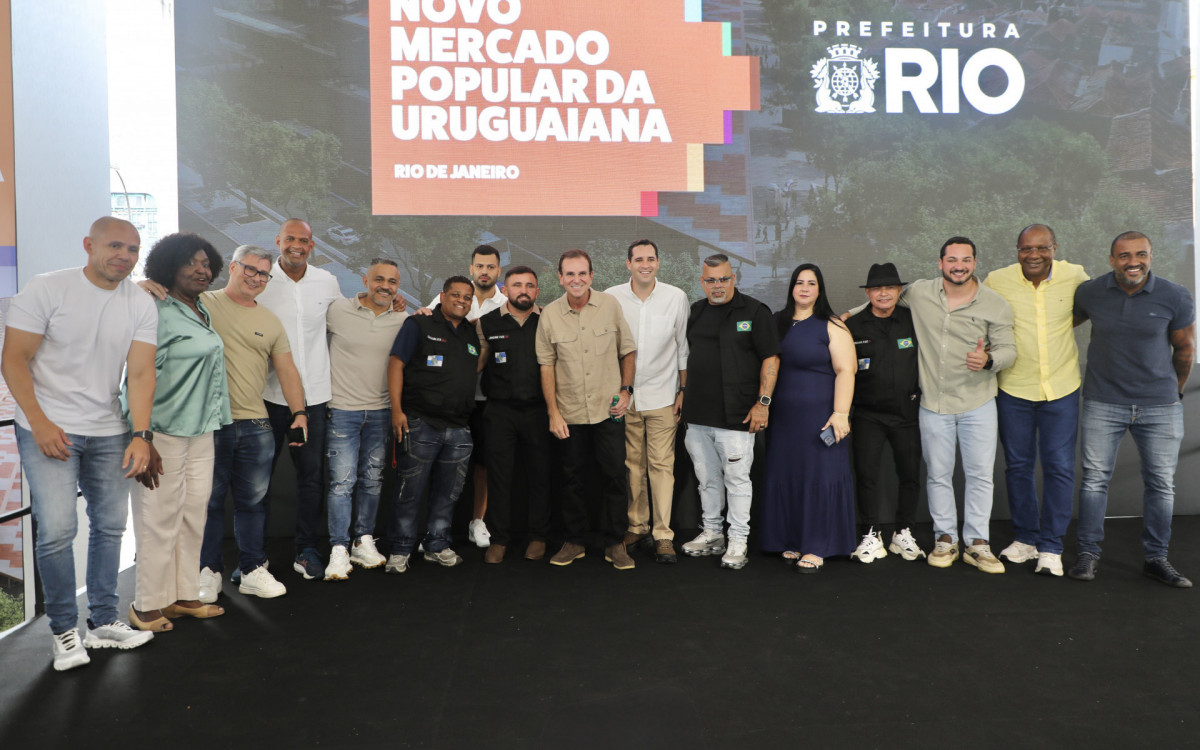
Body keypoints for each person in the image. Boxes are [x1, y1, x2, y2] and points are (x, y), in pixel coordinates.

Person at [2, 216, 157, 670]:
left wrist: (142, 434)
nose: (124, 256)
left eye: (132, 249)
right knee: (56, 530)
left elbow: (141, 373)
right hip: (48, 426)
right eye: (115, 246)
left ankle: (103, 621)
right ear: (89, 245)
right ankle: (64, 631)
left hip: (110, 429)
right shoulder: (47, 288)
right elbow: (14, 359)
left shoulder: (140, 303)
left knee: (110, 527)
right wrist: (39, 422)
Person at [879, 237, 1016, 573]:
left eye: (966, 260)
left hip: (978, 403)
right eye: (952, 260)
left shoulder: (995, 303)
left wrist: (988, 360)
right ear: (940, 263)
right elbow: (882, 303)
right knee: (938, 475)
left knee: (980, 475)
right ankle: (945, 539)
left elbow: (1009, 350)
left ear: (975, 263)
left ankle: (978, 544)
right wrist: (843, 319)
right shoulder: (920, 292)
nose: (959, 266)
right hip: (933, 404)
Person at [1069, 231, 1195, 587]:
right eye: (1124, 256)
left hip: (1160, 405)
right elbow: (1058, 328)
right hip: (1103, 401)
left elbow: (1185, 349)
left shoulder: (1175, 295)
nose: (1133, 262)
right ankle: (1088, 555)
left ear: (1151, 256)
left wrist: (1174, 391)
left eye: (1140, 254)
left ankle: (1156, 558)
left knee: (1161, 484)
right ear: (1112, 260)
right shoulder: (1090, 292)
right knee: (1094, 481)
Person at [126, 233, 231, 631]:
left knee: (192, 515)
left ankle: (183, 596)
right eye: (191, 262)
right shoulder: (154, 307)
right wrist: (143, 434)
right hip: (162, 430)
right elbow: (136, 374)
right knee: (158, 517)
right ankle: (146, 605)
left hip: (201, 429)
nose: (201, 270)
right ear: (169, 266)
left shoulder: (199, 308)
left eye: (206, 264)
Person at [196, 245, 308, 600]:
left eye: (263, 274)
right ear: (232, 267)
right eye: (250, 270)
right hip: (207, 424)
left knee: (253, 504)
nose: (257, 278)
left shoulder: (269, 320)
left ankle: (252, 570)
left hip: (256, 424)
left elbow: (287, 370)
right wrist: (145, 285)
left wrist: (300, 413)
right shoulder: (200, 303)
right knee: (208, 503)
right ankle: (208, 572)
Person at [983, 224, 1090, 577]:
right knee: (1018, 466)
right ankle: (1026, 539)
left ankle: (1051, 546)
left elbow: (1089, 308)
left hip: (1061, 388)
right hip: (1014, 388)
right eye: (1026, 248)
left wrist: (1060, 326)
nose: (1034, 255)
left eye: (1042, 248)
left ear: (1054, 248)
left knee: (1059, 467)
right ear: (1017, 250)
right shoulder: (997, 280)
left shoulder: (1075, 275)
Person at [536, 249, 638, 570]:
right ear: (560, 278)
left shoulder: (610, 306)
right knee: (571, 479)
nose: (576, 279)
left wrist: (626, 390)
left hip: (609, 411)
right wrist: (553, 412)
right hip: (569, 414)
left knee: (614, 477)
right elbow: (546, 366)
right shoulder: (550, 315)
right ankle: (574, 541)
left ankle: (615, 542)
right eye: (570, 274)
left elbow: (628, 350)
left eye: (582, 273)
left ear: (592, 276)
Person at [680, 254, 780, 570]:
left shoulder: (755, 311)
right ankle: (713, 533)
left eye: (724, 279)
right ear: (702, 282)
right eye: (711, 280)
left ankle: (738, 539)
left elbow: (771, 358)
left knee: (737, 481)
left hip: (737, 416)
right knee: (706, 480)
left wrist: (763, 403)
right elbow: (686, 357)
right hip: (697, 415)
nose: (718, 285)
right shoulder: (695, 312)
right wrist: (682, 393)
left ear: (733, 278)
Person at [256, 218, 342, 581]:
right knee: (258, 481)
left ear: (312, 245)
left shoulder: (327, 281)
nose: (296, 245)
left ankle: (306, 550)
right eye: (290, 238)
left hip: (315, 398)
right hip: (267, 396)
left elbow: (345, 320)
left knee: (311, 479)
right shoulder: (260, 281)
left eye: (303, 240)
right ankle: (253, 557)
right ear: (278, 241)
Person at [760, 264, 856, 572]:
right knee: (788, 475)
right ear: (791, 287)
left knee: (819, 477)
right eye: (799, 282)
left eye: (811, 283)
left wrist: (841, 414)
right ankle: (791, 539)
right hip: (783, 419)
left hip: (821, 419)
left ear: (819, 289)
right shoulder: (777, 321)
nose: (804, 288)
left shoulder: (832, 324)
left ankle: (817, 546)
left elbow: (846, 370)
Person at [386, 276, 482, 572]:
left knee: (448, 493)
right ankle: (400, 549)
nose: (461, 300)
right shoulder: (419, 324)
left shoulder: (470, 332)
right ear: (442, 296)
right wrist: (397, 411)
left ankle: (436, 544)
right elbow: (396, 363)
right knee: (409, 491)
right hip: (420, 422)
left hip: (459, 427)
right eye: (456, 295)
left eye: (467, 297)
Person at [322, 259, 408, 580]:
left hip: (381, 412)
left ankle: (363, 540)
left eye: (392, 282)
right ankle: (338, 548)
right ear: (365, 280)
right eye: (379, 279)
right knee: (342, 483)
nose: (385, 286)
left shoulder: (403, 318)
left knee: (372, 480)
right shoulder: (338, 310)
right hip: (342, 410)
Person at [605, 239, 689, 564]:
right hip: (624, 397)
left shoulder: (675, 297)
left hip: (663, 396)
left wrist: (683, 390)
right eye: (638, 259)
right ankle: (637, 527)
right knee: (631, 465)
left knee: (661, 466)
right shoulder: (611, 296)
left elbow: (682, 347)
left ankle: (663, 534)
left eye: (650, 258)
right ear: (628, 264)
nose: (645, 264)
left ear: (658, 262)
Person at [844, 262, 924, 563]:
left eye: (890, 287)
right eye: (876, 288)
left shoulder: (913, 320)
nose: (883, 293)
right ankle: (871, 534)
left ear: (899, 290)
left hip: (907, 413)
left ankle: (903, 532)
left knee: (910, 475)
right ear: (868, 293)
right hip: (868, 414)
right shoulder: (852, 326)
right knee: (866, 476)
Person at [426, 244, 505, 549]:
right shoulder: (452, 297)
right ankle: (436, 529)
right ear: (471, 268)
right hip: (449, 397)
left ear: (498, 271)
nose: (485, 271)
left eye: (490, 267)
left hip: (487, 399)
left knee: (483, 464)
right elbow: (426, 319)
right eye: (479, 266)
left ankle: (478, 522)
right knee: (442, 463)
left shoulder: (506, 303)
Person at [476, 266, 551, 563]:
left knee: (541, 475)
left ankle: (538, 536)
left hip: (539, 410)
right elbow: (477, 364)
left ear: (537, 291)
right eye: (517, 285)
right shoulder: (486, 322)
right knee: (499, 477)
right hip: (500, 410)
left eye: (529, 285)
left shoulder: (548, 320)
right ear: (505, 290)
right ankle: (500, 539)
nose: (524, 290)